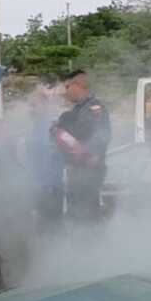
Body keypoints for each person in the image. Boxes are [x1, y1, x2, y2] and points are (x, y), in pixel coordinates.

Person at [51, 70, 111, 224]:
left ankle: (90, 244)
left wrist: (92, 156)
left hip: (87, 171)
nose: (66, 91)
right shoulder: (78, 109)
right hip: (79, 170)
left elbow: (97, 136)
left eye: (67, 86)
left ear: (77, 85)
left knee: (86, 215)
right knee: (78, 213)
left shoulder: (93, 107)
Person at [26, 86, 65, 229]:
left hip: (49, 190)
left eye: (33, 105)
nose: (30, 109)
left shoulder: (52, 127)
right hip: (38, 188)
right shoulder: (34, 127)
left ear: (44, 105)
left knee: (51, 230)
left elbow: (53, 159)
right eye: (29, 106)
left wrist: (49, 187)